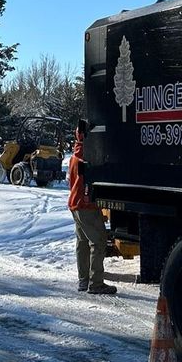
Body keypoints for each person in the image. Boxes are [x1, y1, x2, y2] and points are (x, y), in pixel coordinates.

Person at [68, 119, 116, 295]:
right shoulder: (87, 157)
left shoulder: (74, 155)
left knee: (82, 242)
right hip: (86, 205)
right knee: (98, 241)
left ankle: (83, 281)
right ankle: (96, 283)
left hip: (75, 204)